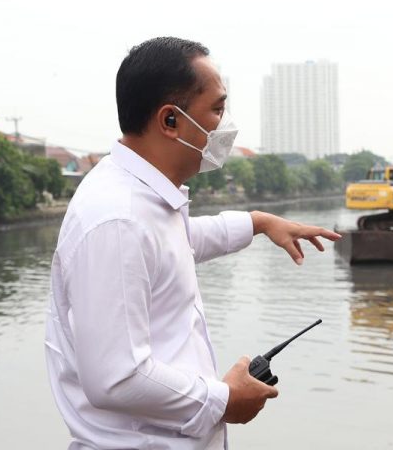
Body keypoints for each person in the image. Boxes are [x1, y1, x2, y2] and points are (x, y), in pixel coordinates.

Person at [44, 37, 341, 450]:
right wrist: (224, 400)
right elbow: (116, 378)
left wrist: (257, 222)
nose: (226, 124)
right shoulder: (118, 218)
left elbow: (172, 247)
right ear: (171, 121)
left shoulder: (140, 196)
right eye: (217, 109)